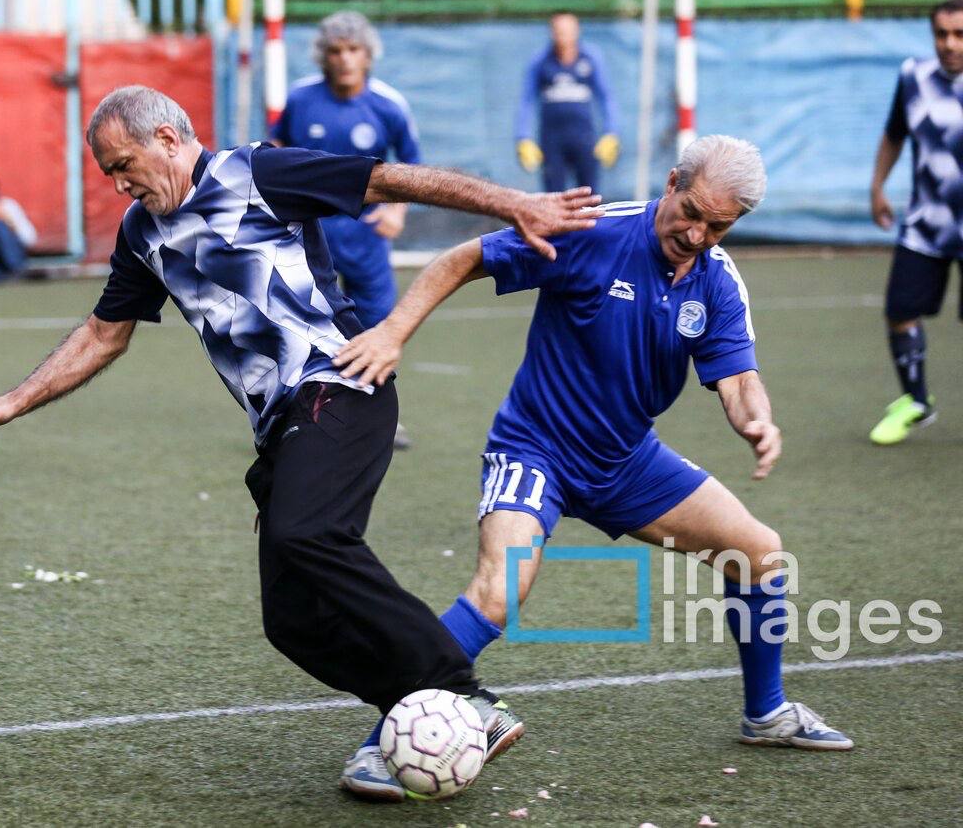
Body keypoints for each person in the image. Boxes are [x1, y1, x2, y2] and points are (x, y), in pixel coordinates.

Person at [0, 85, 601, 798]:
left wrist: (516, 204)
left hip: (344, 382)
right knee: (291, 620)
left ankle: (460, 690)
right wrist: (12, 398)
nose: (118, 181)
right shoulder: (142, 233)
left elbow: (389, 178)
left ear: (167, 138)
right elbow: (105, 335)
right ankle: (417, 706)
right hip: (283, 427)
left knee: (304, 531)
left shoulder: (257, 174)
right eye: (106, 172)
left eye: (122, 162)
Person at [334, 135, 853, 799]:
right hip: (536, 448)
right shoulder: (591, 231)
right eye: (690, 210)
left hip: (625, 460)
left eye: (716, 225)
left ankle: (768, 711)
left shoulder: (718, 280)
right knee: (498, 591)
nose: (695, 233)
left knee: (759, 553)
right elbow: (465, 258)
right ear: (671, 183)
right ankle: (384, 739)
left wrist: (756, 416)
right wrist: (392, 332)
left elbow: (739, 377)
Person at [271, 12, 420, 447]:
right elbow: (276, 152)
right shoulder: (300, 100)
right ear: (323, 56)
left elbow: (411, 164)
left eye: (353, 49)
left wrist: (398, 211)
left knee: (375, 325)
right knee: (299, 324)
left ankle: (381, 416)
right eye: (335, 51)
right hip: (308, 233)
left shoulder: (388, 105)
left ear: (368, 54)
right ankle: (294, 415)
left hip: (366, 234)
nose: (345, 59)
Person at [867, 0, 963, 445]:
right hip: (927, 224)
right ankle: (916, 401)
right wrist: (877, 186)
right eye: (942, 34)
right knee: (899, 311)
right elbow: (893, 135)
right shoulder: (913, 77)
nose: (949, 43)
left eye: (959, 34)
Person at [514, 12, 619, 195]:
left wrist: (611, 132)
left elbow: (606, 96)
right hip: (553, 141)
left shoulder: (590, 58)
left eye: (568, 30)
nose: (563, 35)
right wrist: (523, 137)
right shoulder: (540, 62)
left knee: (589, 198)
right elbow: (527, 100)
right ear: (551, 32)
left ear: (577, 31)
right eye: (559, 30)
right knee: (553, 199)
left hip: (584, 139)